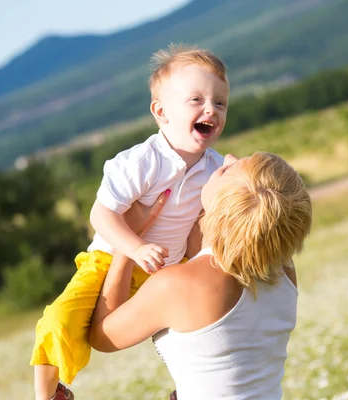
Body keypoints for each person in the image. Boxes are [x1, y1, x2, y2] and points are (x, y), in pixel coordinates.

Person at [30, 44, 229, 400]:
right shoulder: (142, 162)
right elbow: (101, 214)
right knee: (58, 320)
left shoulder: (213, 167)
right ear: (160, 111)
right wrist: (136, 247)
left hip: (170, 268)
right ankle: (49, 395)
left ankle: (192, 388)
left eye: (220, 103)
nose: (210, 110)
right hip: (109, 260)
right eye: (196, 100)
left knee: (199, 328)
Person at [89, 152, 313, 399]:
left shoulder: (177, 286)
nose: (227, 157)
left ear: (220, 205)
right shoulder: (283, 270)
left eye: (227, 170)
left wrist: (128, 241)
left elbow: (103, 336)